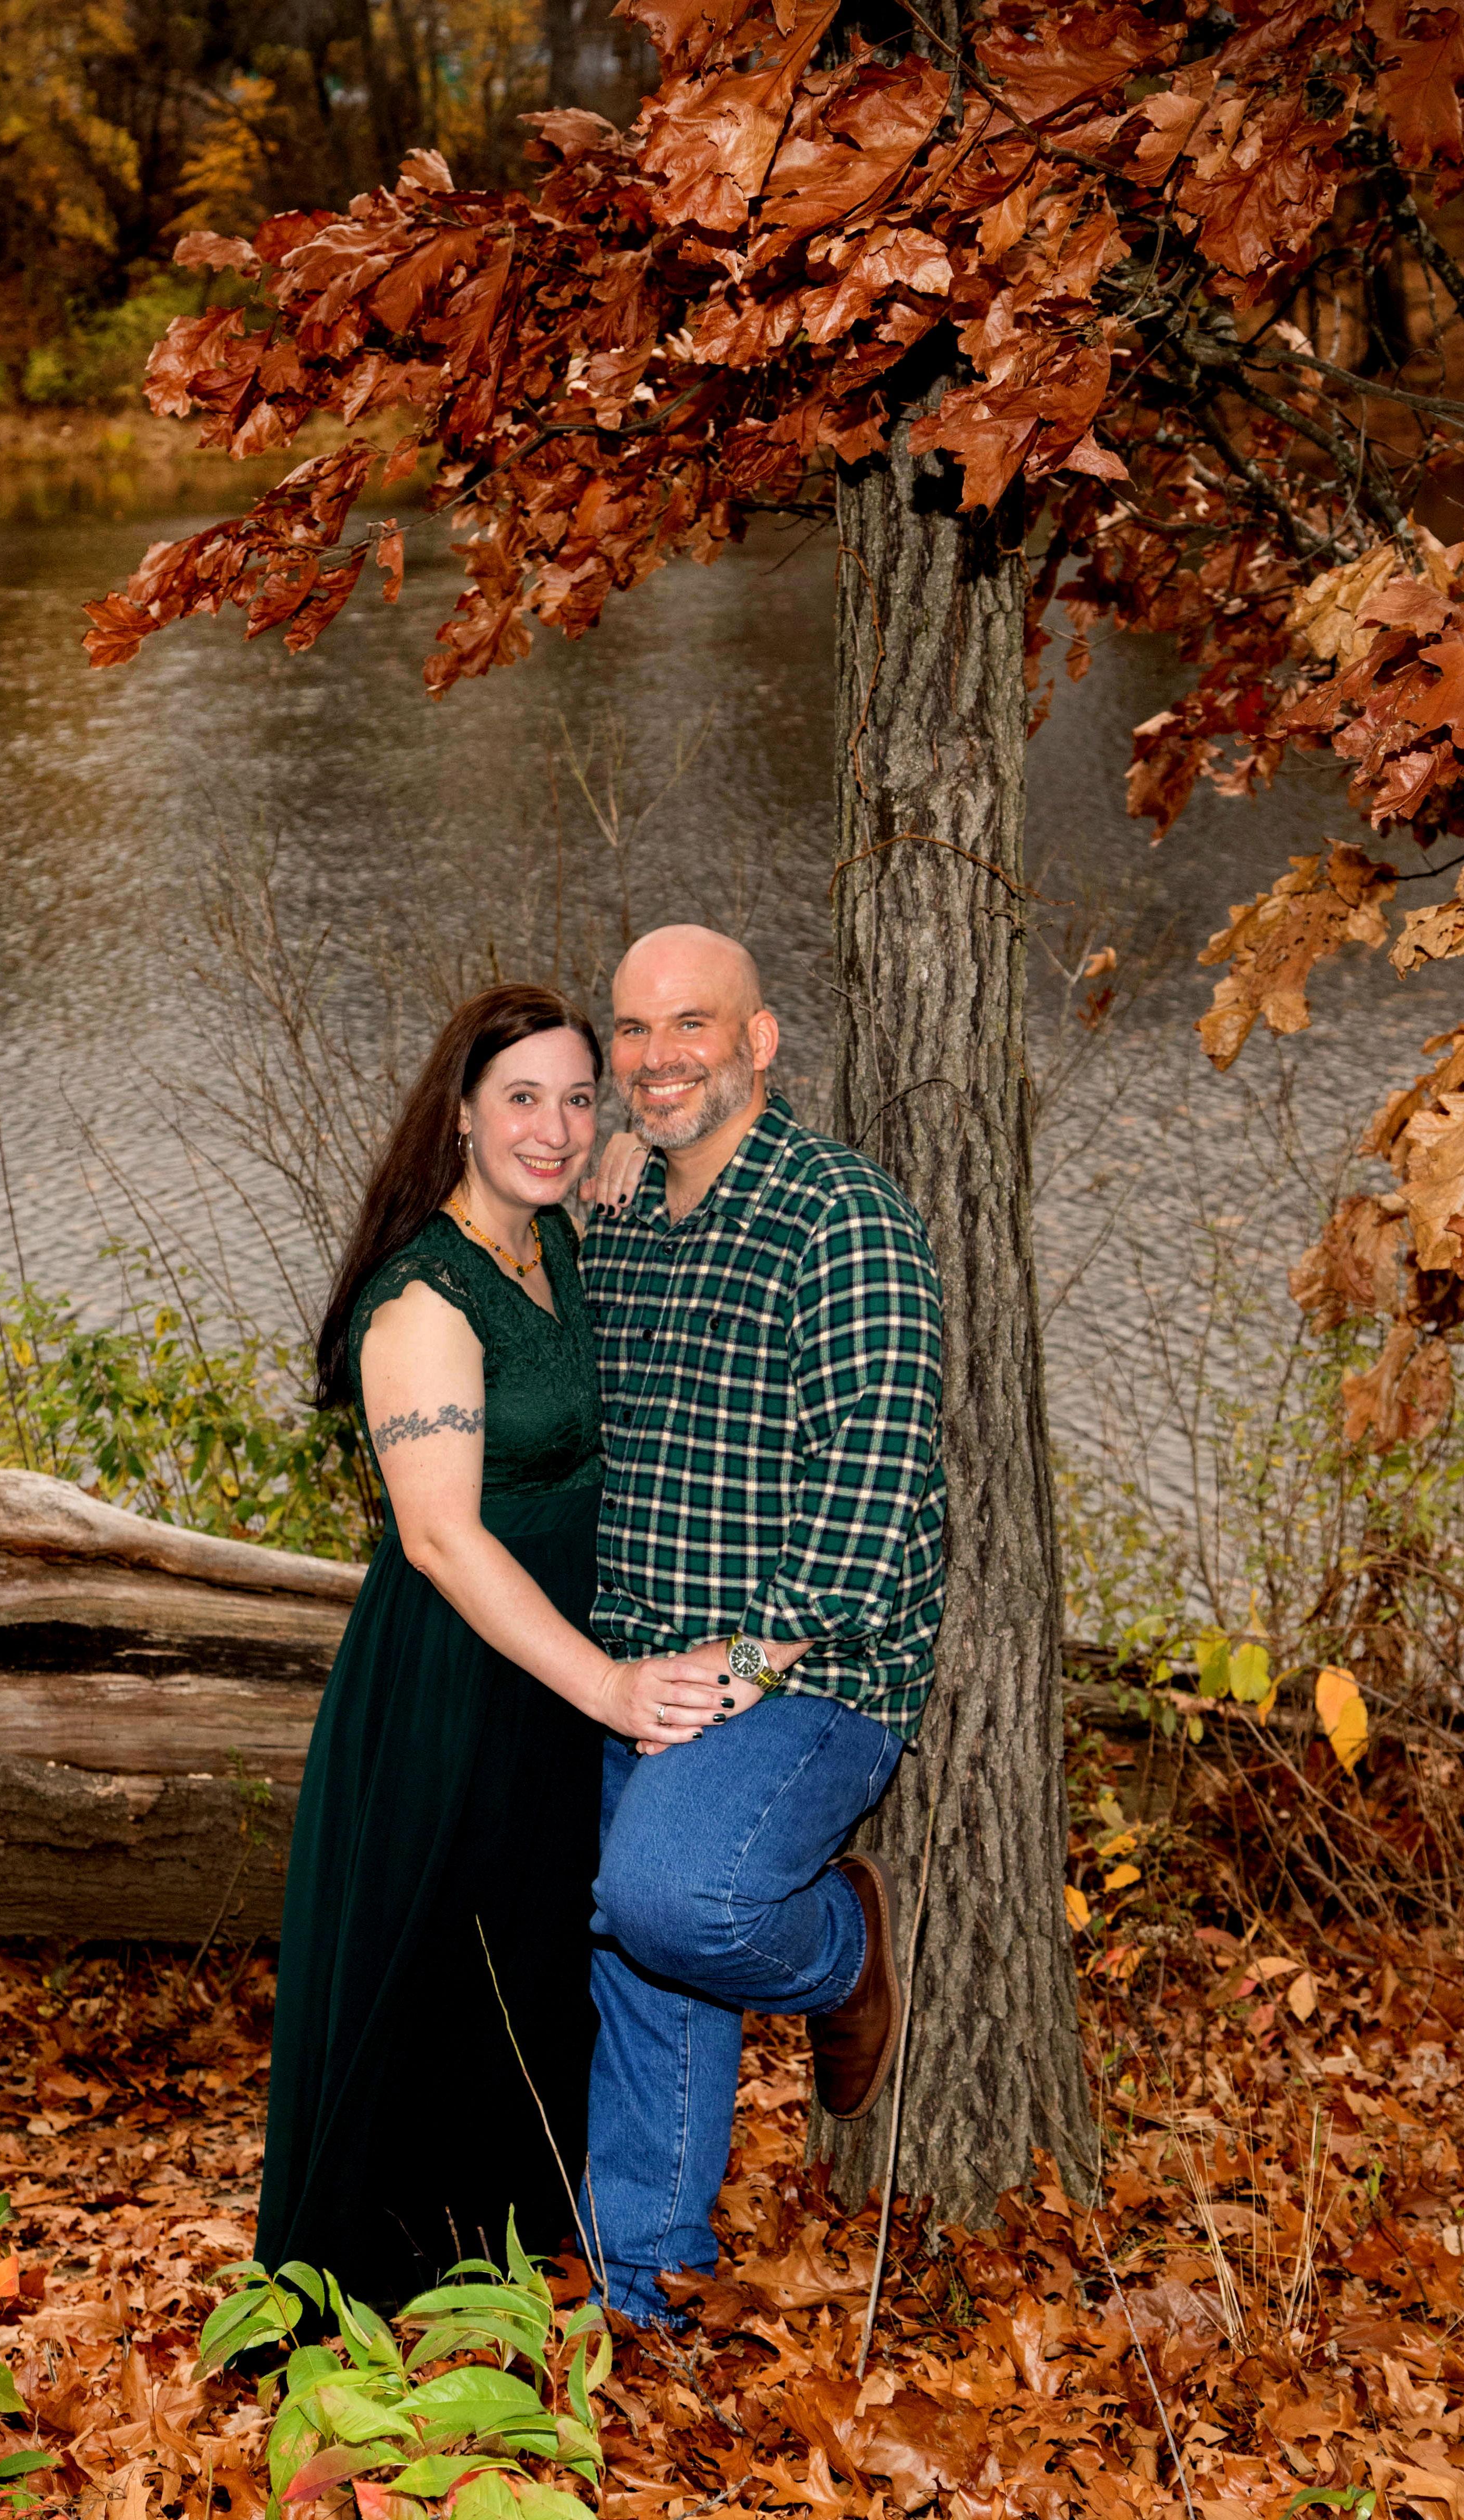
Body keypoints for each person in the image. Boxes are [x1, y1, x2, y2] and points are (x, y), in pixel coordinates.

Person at [254, 983, 725, 2309]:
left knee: (532, 1963)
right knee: (435, 1974)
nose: (554, 1127)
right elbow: (440, 1537)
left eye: (578, 1098)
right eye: (521, 1098)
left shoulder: (552, 1241)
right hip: (460, 1678)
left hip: (554, 1665)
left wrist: (630, 1149)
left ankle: (506, 2271)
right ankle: (374, 2301)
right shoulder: (422, 1299)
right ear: (458, 1112)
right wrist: (609, 1686)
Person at [579, 924, 948, 2331]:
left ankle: (842, 1949)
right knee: (633, 1946)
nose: (658, 1056)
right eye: (633, 1029)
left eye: (692, 1024)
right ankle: (644, 2290)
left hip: (810, 1671)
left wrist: (738, 1671)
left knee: (674, 1899)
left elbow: (873, 1484)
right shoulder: (625, 1217)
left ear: (760, 1040)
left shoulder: (841, 1220)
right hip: (634, 1661)